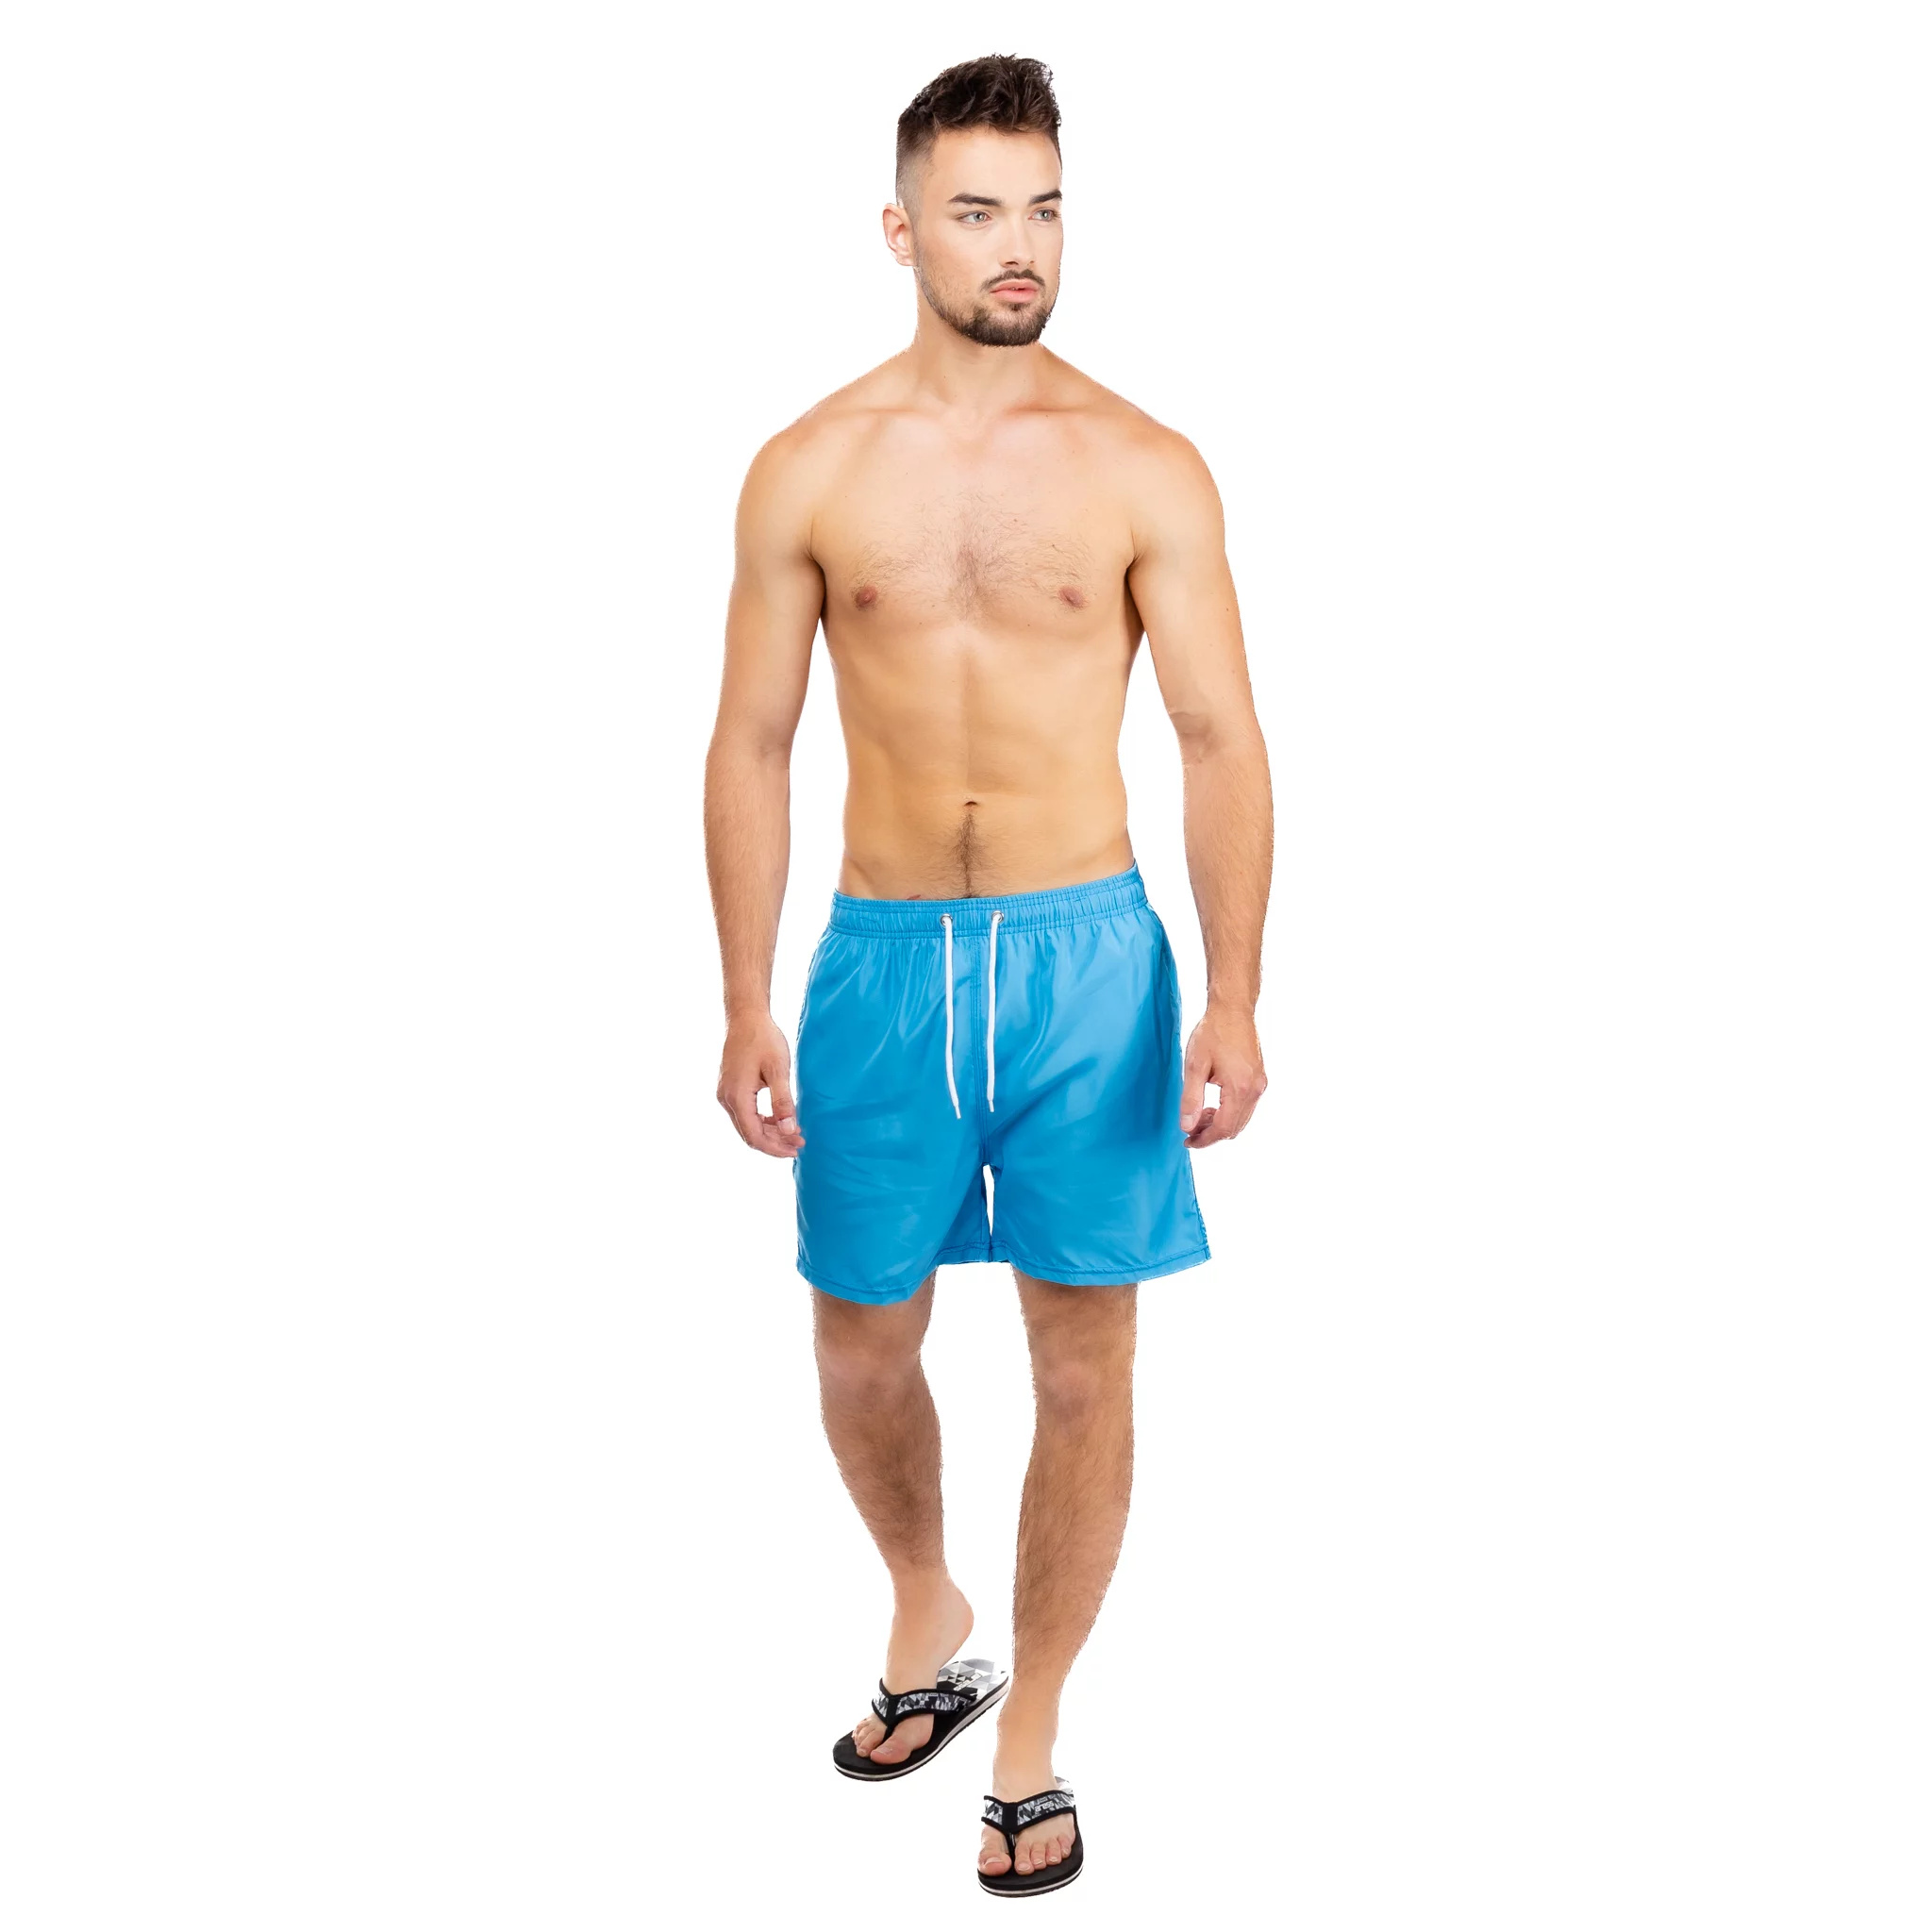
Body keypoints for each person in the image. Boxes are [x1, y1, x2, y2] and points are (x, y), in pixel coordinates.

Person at [704, 53, 1272, 1898]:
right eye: (974, 211)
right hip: (876, 962)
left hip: (1087, 963)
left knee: (1083, 1358)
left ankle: (1028, 1740)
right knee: (860, 1334)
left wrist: (1236, 992)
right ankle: (926, 1605)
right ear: (900, 231)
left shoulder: (1142, 464)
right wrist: (742, 995)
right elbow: (751, 741)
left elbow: (1216, 735)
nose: (1017, 245)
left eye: (1042, 208)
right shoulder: (808, 465)